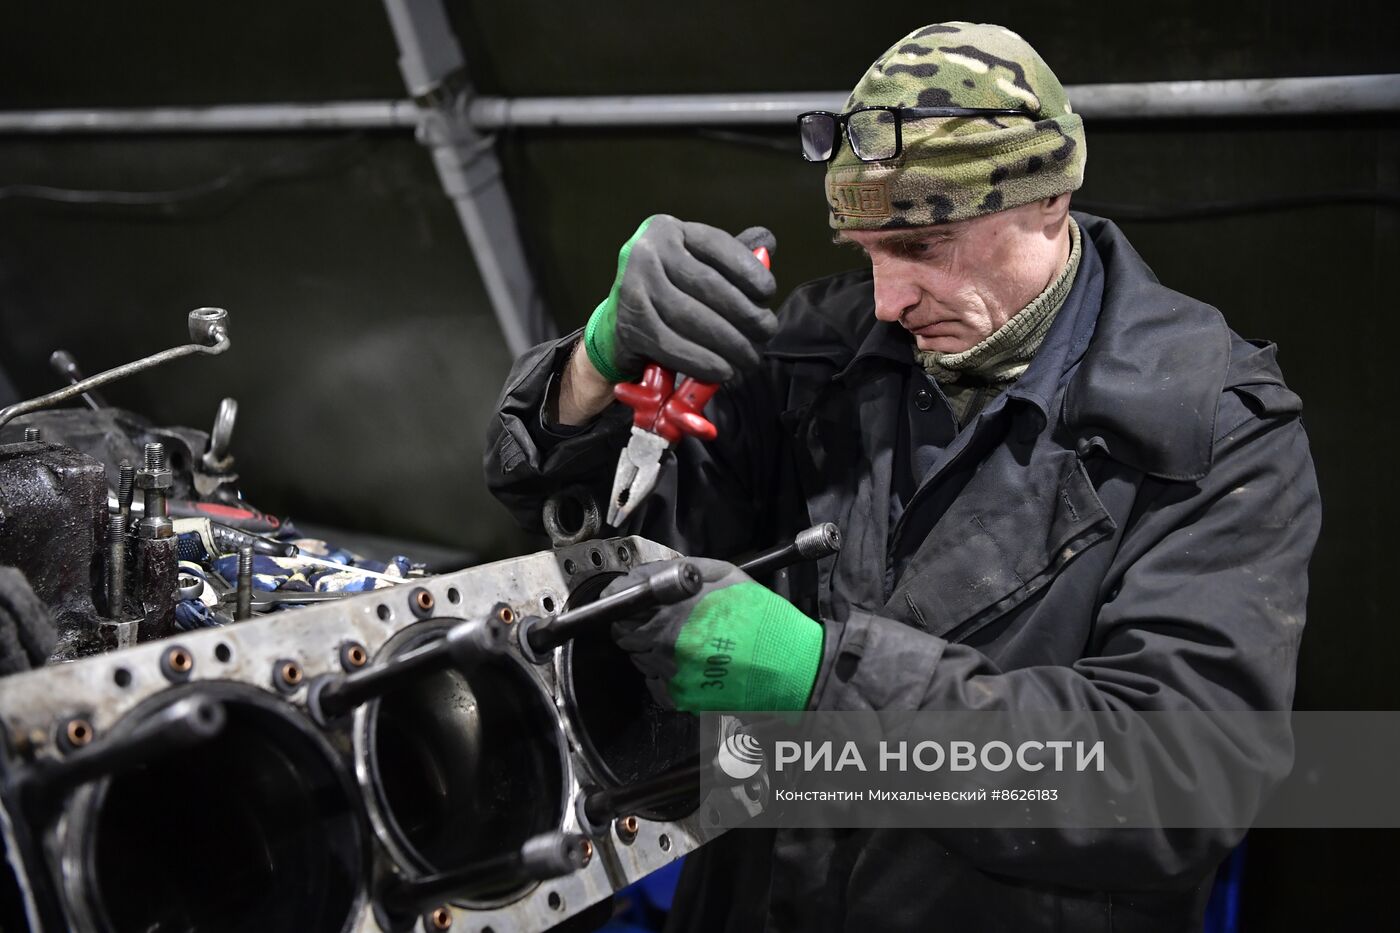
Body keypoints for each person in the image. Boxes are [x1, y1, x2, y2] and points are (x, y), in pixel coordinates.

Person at [485, 21, 1320, 932]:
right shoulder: (818, 354)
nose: (889, 300)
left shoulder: (1212, 424)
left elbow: (1176, 780)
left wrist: (821, 680)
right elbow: (609, 552)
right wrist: (591, 373)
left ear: (1051, 197)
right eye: (869, 251)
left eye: (924, 246)